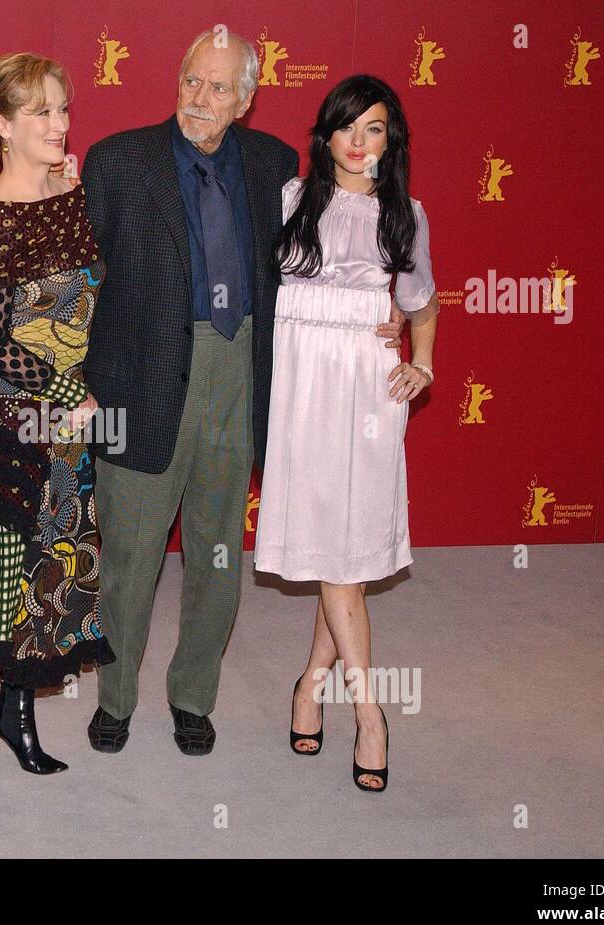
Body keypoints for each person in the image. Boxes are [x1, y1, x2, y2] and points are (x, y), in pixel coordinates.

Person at [80, 30, 404, 756]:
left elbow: (337, 253)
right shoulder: (117, 161)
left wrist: (384, 312)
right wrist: (76, 387)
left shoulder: (277, 170)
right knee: (129, 558)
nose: (201, 98)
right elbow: (80, 284)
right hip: (138, 385)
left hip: (238, 377)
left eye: (220, 87)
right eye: (192, 81)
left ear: (247, 100)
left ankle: (193, 697)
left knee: (217, 552)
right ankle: (116, 697)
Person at [254, 74, 441, 793]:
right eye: (348, 128)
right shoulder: (291, 202)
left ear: (390, 140)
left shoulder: (407, 215)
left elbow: (421, 304)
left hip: (365, 388)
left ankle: (365, 712)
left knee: (347, 560)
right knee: (341, 559)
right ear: (325, 135)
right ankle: (310, 686)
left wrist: (422, 366)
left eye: (376, 129)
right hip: (302, 390)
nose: (361, 143)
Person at [0, 52, 114, 775]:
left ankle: (18, 710)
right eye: (39, 111)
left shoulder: (69, 197)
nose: (57, 122)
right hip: (15, 422)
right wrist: (68, 394)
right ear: (2, 125)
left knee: (52, 572)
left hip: (68, 423)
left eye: (62, 107)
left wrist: (76, 395)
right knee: (2, 570)